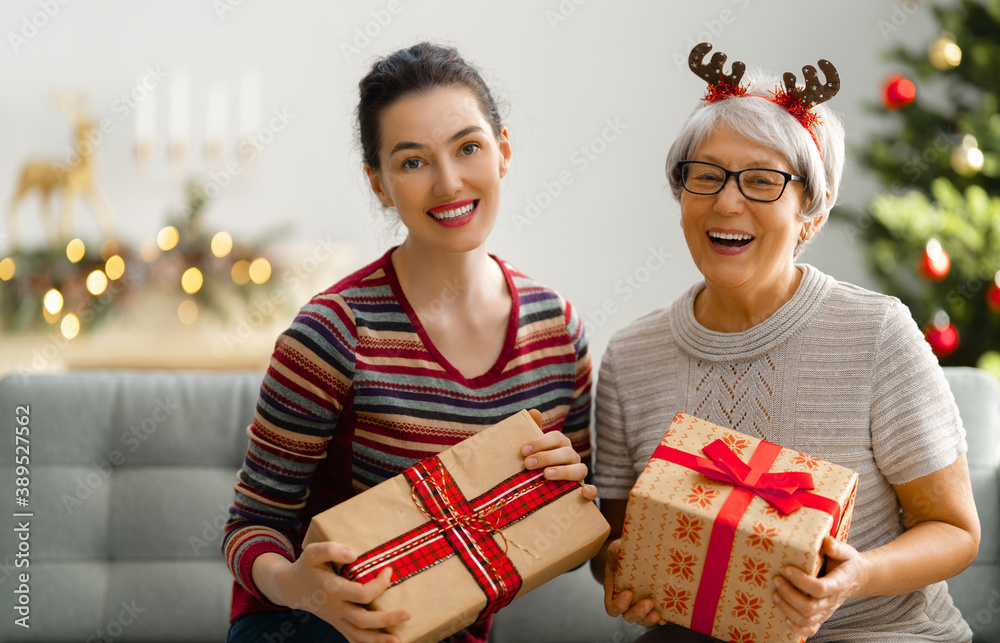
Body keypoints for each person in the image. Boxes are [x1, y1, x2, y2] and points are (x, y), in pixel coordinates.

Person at [590, 43, 981, 642]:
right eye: (706, 176)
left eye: (763, 181)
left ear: (811, 213)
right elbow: (619, 543)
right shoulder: (629, 358)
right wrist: (620, 571)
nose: (727, 201)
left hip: (876, 631)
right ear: (681, 196)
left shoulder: (877, 332)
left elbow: (955, 531)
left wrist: (856, 576)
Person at [222, 42, 596, 643]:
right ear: (379, 183)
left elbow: (573, 547)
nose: (449, 184)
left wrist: (565, 494)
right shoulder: (333, 332)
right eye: (413, 162)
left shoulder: (558, 335)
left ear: (503, 152)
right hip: (309, 625)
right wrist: (303, 586)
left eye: (468, 148)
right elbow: (251, 526)